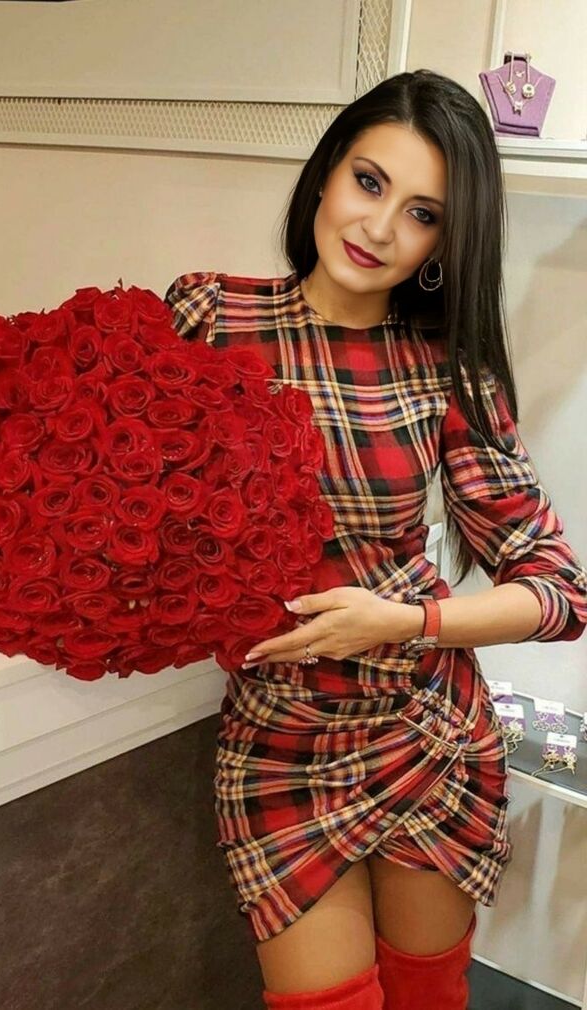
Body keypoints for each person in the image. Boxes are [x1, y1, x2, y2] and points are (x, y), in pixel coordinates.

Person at [164, 69, 587, 1010]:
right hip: (279, 738)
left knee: (428, 997)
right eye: (369, 181)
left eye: (422, 213)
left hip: (428, 734)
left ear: (445, 241)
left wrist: (406, 621)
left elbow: (559, 591)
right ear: (327, 173)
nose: (381, 227)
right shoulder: (209, 319)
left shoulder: (446, 368)